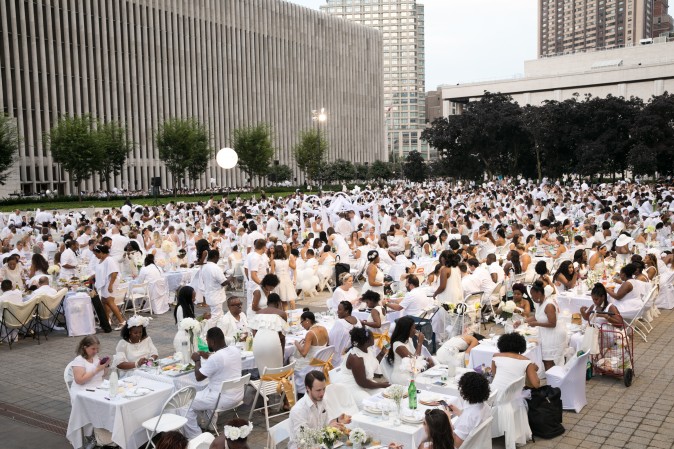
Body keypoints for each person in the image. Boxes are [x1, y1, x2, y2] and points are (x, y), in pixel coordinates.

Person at [184, 327, 244, 438]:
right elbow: (222, 360)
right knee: (203, 392)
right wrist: (209, 356)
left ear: (212, 341)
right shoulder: (235, 350)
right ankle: (210, 426)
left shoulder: (216, 358)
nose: (207, 344)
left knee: (185, 402)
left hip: (222, 399)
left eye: (207, 341)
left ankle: (195, 437)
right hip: (238, 395)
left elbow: (199, 377)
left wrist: (197, 360)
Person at [288, 371, 350, 449]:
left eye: (324, 389)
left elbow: (325, 424)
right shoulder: (299, 410)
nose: (322, 393)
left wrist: (337, 420)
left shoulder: (322, 400)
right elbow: (304, 440)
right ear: (308, 388)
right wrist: (328, 430)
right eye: (318, 390)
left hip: (320, 444)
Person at [334, 327, 390, 407]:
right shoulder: (355, 357)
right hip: (353, 386)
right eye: (372, 336)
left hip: (366, 382)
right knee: (369, 404)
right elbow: (363, 383)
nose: (374, 337)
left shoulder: (367, 349)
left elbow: (372, 364)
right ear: (367, 341)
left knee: (386, 395)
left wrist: (382, 352)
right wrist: (382, 384)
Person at [521, 280, 567, 369]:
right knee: (545, 361)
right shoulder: (539, 303)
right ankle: (551, 379)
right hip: (546, 336)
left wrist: (536, 324)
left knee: (549, 361)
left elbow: (552, 323)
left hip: (553, 336)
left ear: (539, 293)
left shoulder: (549, 305)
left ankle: (553, 380)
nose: (532, 298)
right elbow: (537, 316)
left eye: (532, 295)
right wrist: (522, 321)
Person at [447, 372, 491, 448]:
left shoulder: (469, 416)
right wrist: (459, 412)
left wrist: (447, 419)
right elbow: (472, 423)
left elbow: (456, 443)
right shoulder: (485, 406)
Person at [387, 316, 434, 385]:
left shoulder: (408, 339)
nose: (415, 330)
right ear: (406, 330)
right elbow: (414, 362)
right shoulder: (398, 345)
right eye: (413, 328)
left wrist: (425, 360)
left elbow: (415, 357)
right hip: (402, 377)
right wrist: (420, 343)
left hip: (412, 372)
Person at [250, 293, 288, 373]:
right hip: (273, 342)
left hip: (258, 344)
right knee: (277, 372)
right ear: (278, 303)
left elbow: (254, 333)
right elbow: (282, 336)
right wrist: (283, 354)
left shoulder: (258, 313)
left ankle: (265, 385)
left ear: (267, 302)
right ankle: (275, 385)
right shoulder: (282, 314)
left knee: (263, 371)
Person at [292, 311, 329, 392]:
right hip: (321, 361)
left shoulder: (310, 333)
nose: (302, 325)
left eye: (302, 322)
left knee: (292, 360)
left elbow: (304, 353)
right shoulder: (324, 328)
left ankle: (297, 392)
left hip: (311, 364)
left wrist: (297, 343)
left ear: (307, 320)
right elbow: (327, 344)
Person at [93, 245, 126, 331]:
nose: (95, 255)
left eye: (96, 254)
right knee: (104, 302)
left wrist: (110, 285)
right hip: (105, 284)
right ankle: (106, 321)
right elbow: (100, 271)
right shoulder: (101, 260)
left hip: (110, 282)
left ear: (101, 252)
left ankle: (122, 322)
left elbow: (114, 273)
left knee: (110, 302)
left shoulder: (109, 260)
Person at [329, 301, 362, 366]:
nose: (337, 311)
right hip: (354, 352)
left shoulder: (340, 322)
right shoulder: (357, 319)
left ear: (346, 311)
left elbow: (331, 341)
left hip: (340, 357)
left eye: (339, 309)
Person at [270, 245, 297, 310]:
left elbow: (272, 273)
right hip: (287, 280)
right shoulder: (287, 260)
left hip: (279, 281)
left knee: (283, 301)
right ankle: (293, 312)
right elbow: (294, 267)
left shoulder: (274, 261)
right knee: (291, 297)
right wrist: (294, 260)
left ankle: (285, 316)